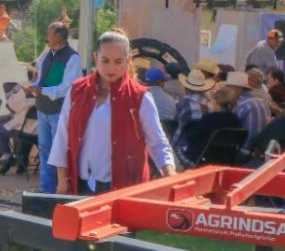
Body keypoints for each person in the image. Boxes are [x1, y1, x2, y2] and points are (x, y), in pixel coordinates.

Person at [49, 31, 176, 194]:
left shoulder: (140, 97)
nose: (111, 68)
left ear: (128, 61)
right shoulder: (77, 90)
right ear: (96, 58)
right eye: (105, 61)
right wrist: (62, 180)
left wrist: (170, 174)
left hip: (123, 186)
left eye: (118, 62)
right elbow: (62, 137)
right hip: (80, 184)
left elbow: (158, 142)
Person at [30, 22, 82, 192]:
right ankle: (46, 190)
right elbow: (42, 76)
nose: (47, 37)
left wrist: (42, 90)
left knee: (58, 152)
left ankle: (60, 189)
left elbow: (68, 88)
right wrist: (36, 85)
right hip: (43, 109)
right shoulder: (48, 54)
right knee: (45, 150)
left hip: (59, 111)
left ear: (59, 36)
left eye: (49, 34)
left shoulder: (73, 58)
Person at [175, 85, 243, 165]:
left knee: (177, 149)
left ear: (215, 101)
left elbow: (191, 135)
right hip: (224, 159)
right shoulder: (236, 120)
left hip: (200, 158)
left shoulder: (209, 118)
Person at [225, 71, 271, 147]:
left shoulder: (240, 105)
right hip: (263, 148)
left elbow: (230, 130)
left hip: (246, 150)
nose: (228, 90)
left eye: (229, 87)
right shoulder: (262, 102)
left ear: (238, 88)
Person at [173, 68, 215, 148]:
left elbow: (178, 130)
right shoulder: (210, 105)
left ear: (186, 87)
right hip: (204, 148)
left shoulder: (181, 103)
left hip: (185, 146)